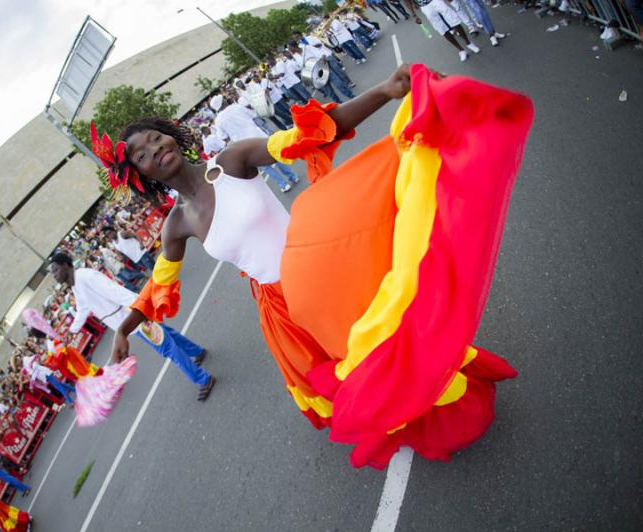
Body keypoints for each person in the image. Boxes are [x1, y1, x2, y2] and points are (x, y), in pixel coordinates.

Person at [97, 63, 533, 470]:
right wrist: (124, 327)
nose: (155, 149)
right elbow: (159, 285)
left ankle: (445, 413)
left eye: (156, 138)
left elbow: (313, 134)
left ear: (171, 135)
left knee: (385, 348)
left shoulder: (231, 162)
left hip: (322, 267)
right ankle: (408, 420)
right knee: (355, 371)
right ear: (138, 174)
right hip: (281, 309)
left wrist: (385, 90)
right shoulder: (176, 225)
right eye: (141, 154)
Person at [49, 251, 215, 402]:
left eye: (55, 270)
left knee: (167, 348)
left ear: (66, 264)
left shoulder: (86, 277)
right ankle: (197, 351)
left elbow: (115, 291)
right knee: (168, 335)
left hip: (133, 317)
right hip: (127, 323)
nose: (54, 275)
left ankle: (203, 379)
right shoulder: (76, 286)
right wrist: (71, 332)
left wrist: (140, 309)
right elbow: (82, 309)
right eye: (52, 273)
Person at [212, 94, 300, 193]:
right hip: (258, 136)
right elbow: (254, 114)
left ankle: (283, 184)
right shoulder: (236, 107)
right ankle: (292, 177)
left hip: (243, 146)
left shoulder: (218, 120)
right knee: (275, 157)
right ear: (223, 103)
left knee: (264, 166)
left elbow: (222, 137)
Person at [406, 0, 482, 61]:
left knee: (453, 20)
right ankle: (461, 50)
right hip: (425, 7)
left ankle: (469, 43)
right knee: (441, 29)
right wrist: (414, 15)